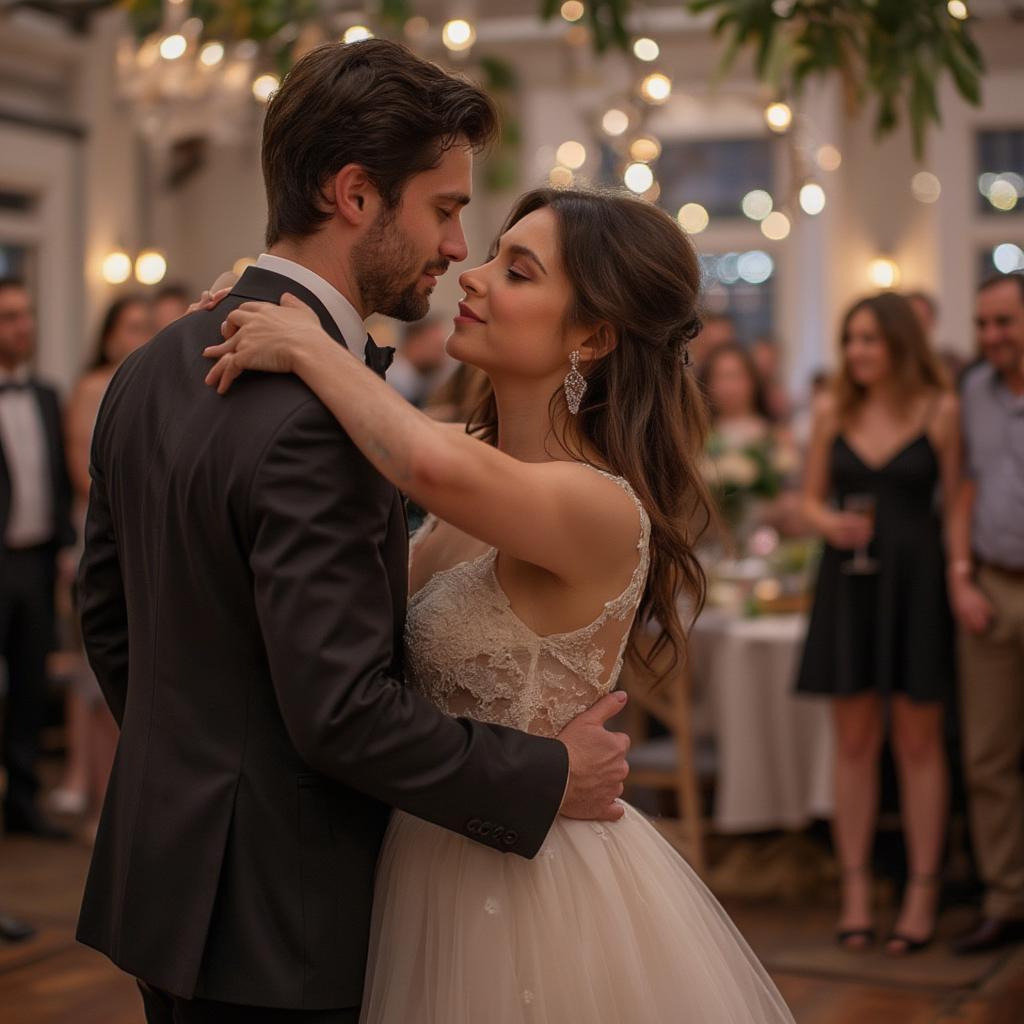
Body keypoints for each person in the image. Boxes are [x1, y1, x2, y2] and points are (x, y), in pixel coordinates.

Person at [76, 41, 628, 1024]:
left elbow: (109, 618)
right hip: (282, 918)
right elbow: (339, 714)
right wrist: (546, 776)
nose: (459, 248)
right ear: (355, 196)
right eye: (448, 209)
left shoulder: (153, 363)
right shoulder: (325, 423)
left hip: (164, 885)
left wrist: (203, 761)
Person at [199, 184, 796, 1022]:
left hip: (533, 881)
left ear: (592, 334)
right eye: (489, 256)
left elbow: (420, 462)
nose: (470, 276)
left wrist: (305, 343)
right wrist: (257, 309)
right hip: (420, 851)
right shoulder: (472, 453)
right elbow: (394, 441)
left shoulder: (599, 506)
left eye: (515, 271)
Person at [796, 292, 960, 956]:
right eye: (850, 340)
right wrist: (826, 522)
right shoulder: (834, 409)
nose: (858, 352)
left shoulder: (940, 410)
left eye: (869, 339)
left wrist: (961, 572)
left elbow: (960, 501)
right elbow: (806, 499)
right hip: (849, 584)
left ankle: (923, 890)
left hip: (918, 586)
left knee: (920, 744)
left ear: (898, 342)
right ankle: (857, 891)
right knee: (855, 742)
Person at [49, 297, 153, 834]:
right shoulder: (93, 388)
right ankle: (88, 792)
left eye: (148, 326)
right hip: (96, 533)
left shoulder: (157, 381)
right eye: (133, 326)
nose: (141, 335)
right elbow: (81, 471)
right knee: (93, 672)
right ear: (109, 333)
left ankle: (114, 797)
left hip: (139, 534)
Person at [948, 272, 1024, 955]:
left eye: (1004, 322)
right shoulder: (973, 393)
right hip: (993, 588)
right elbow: (964, 490)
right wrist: (961, 577)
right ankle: (1006, 898)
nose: (992, 337)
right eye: (983, 325)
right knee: (989, 756)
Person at [0, 277, 75, 840]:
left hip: (36, 563)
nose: (22, 326)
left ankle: (23, 801)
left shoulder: (49, 396)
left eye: (25, 315)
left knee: (30, 687)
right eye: (9, 317)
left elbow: (56, 482)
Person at [386, 315, 454, 407]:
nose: (444, 357)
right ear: (415, 344)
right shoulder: (394, 383)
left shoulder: (418, 380)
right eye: (438, 348)